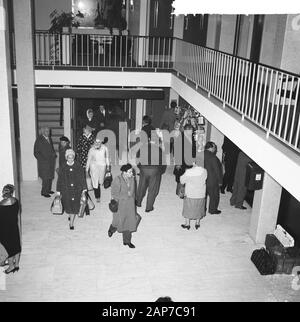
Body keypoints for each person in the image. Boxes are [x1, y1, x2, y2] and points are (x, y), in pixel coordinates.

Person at [108, 164, 138, 249]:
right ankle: (111, 229)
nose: (132, 173)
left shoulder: (132, 178)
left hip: (130, 205)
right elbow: (114, 194)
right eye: (129, 172)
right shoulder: (117, 180)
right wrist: (125, 196)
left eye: (131, 171)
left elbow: (133, 191)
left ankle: (127, 241)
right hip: (120, 205)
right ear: (124, 172)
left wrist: (134, 200)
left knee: (128, 223)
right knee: (117, 221)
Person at [56, 149, 87, 230]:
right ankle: (70, 215)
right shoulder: (63, 167)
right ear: (66, 158)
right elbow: (59, 179)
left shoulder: (78, 166)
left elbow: (82, 178)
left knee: (74, 207)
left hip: (76, 189)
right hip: (66, 190)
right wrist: (58, 191)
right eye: (69, 157)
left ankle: (71, 223)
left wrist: (84, 188)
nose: (70, 159)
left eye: (72, 157)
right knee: (68, 205)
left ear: (74, 157)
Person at [136, 137, 166, 213]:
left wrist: (141, 168)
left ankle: (138, 202)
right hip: (154, 170)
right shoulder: (159, 150)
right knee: (152, 189)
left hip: (143, 169)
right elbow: (163, 163)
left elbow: (137, 159)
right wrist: (160, 172)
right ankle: (148, 207)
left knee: (141, 186)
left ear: (149, 140)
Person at [180, 158, 207, 230]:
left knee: (188, 208)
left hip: (190, 194)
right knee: (199, 207)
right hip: (201, 194)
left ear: (194, 163)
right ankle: (197, 223)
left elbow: (182, 181)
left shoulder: (189, 171)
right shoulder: (204, 171)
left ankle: (187, 224)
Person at [0, 184, 21, 274]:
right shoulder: (16, 201)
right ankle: (16, 265)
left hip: (4, 229)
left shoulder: (2, 204)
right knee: (16, 246)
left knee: (8, 248)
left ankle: (11, 266)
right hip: (14, 226)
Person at [33, 126, 57, 198]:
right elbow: (36, 152)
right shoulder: (39, 140)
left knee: (50, 177)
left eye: (49, 131)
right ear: (43, 132)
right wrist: (42, 160)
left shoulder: (49, 138)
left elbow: (51, 148)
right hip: (44, 162)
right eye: (46, 131)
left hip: (51, 161)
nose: (48, 132)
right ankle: (44, 192)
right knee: (45, 178)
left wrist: (54, 153)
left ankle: (48, 189)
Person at [85, 138, 110, 203]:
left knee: (101, 181)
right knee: (95, 182)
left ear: (101, 142)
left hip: (102, 166)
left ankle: (98, 185)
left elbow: (107, 157)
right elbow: (89, 160)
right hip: (94, 166)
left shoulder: (105, 148)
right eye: (96, 142)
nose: (97, 143)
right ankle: (97, 196)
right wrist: (86, 170)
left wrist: (108, 166)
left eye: (99, 142)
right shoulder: (91, 150)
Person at [203, 142, 223, 214]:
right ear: (211, 148)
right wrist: (220, 181)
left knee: (203, 196)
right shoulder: (213, 157)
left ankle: (202, 209)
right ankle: (212, 210)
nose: (215, 150)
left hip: (202, 179)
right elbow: (217, 170)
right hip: (212, 181)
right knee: (214, 196)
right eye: (214, 148)